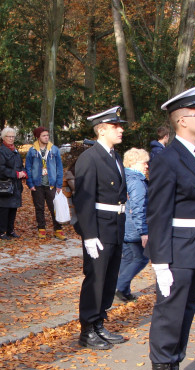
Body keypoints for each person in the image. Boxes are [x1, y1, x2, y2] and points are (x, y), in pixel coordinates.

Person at [147, 86, 195, 370]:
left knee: (185, 312)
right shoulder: (168, 159)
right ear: (182, 120)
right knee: (169, 313)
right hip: (175, 249)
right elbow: (158, 212)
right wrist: (160, 262)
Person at [73, 106, 128, 350]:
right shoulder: (90, 157)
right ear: (102, 129)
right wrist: (89, 235)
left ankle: (99, 323)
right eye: (116, 126)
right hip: (99, 227)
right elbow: (83, 199)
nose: (121, 129)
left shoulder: (115, 156)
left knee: (108, 278)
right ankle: (87, 329)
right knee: (95, 279)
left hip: (115, 225)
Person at [115, 148, 149, 303]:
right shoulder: (136, 181)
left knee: (128, 258)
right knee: (141, 258)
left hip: (124, 225)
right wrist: (143, 231)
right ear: (135, 163)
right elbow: (138, 208)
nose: (147, 166)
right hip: (133, 227)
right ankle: (119, 287)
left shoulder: (124, 177)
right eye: (144, 162)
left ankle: (123, 290)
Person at [25, 126, 66, 240]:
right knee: (39, 208)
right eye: (44, 135)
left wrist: (58, 184)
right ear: (38, 137)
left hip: (51, 184)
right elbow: (27, 168)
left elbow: (59, 168)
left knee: (54, 207)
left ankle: (58, 230)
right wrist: (30, 183)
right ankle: (41, 230)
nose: (46, 137)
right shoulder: (32, 150)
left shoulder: (54, 149)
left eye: (47, 135)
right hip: (37, 184)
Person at [0, 127, 26, 239]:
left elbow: (20, 165)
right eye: (9, 136)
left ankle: (10, 231)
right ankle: (1, 232)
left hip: (16, 185)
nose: (11, 139)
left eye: (13, 136)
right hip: (5, 185)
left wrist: (23, 172)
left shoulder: (15, 151)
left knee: (13, 208)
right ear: (4, 137)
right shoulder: (1, 152)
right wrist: (16, 174)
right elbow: (2, 169)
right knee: (4, 209)